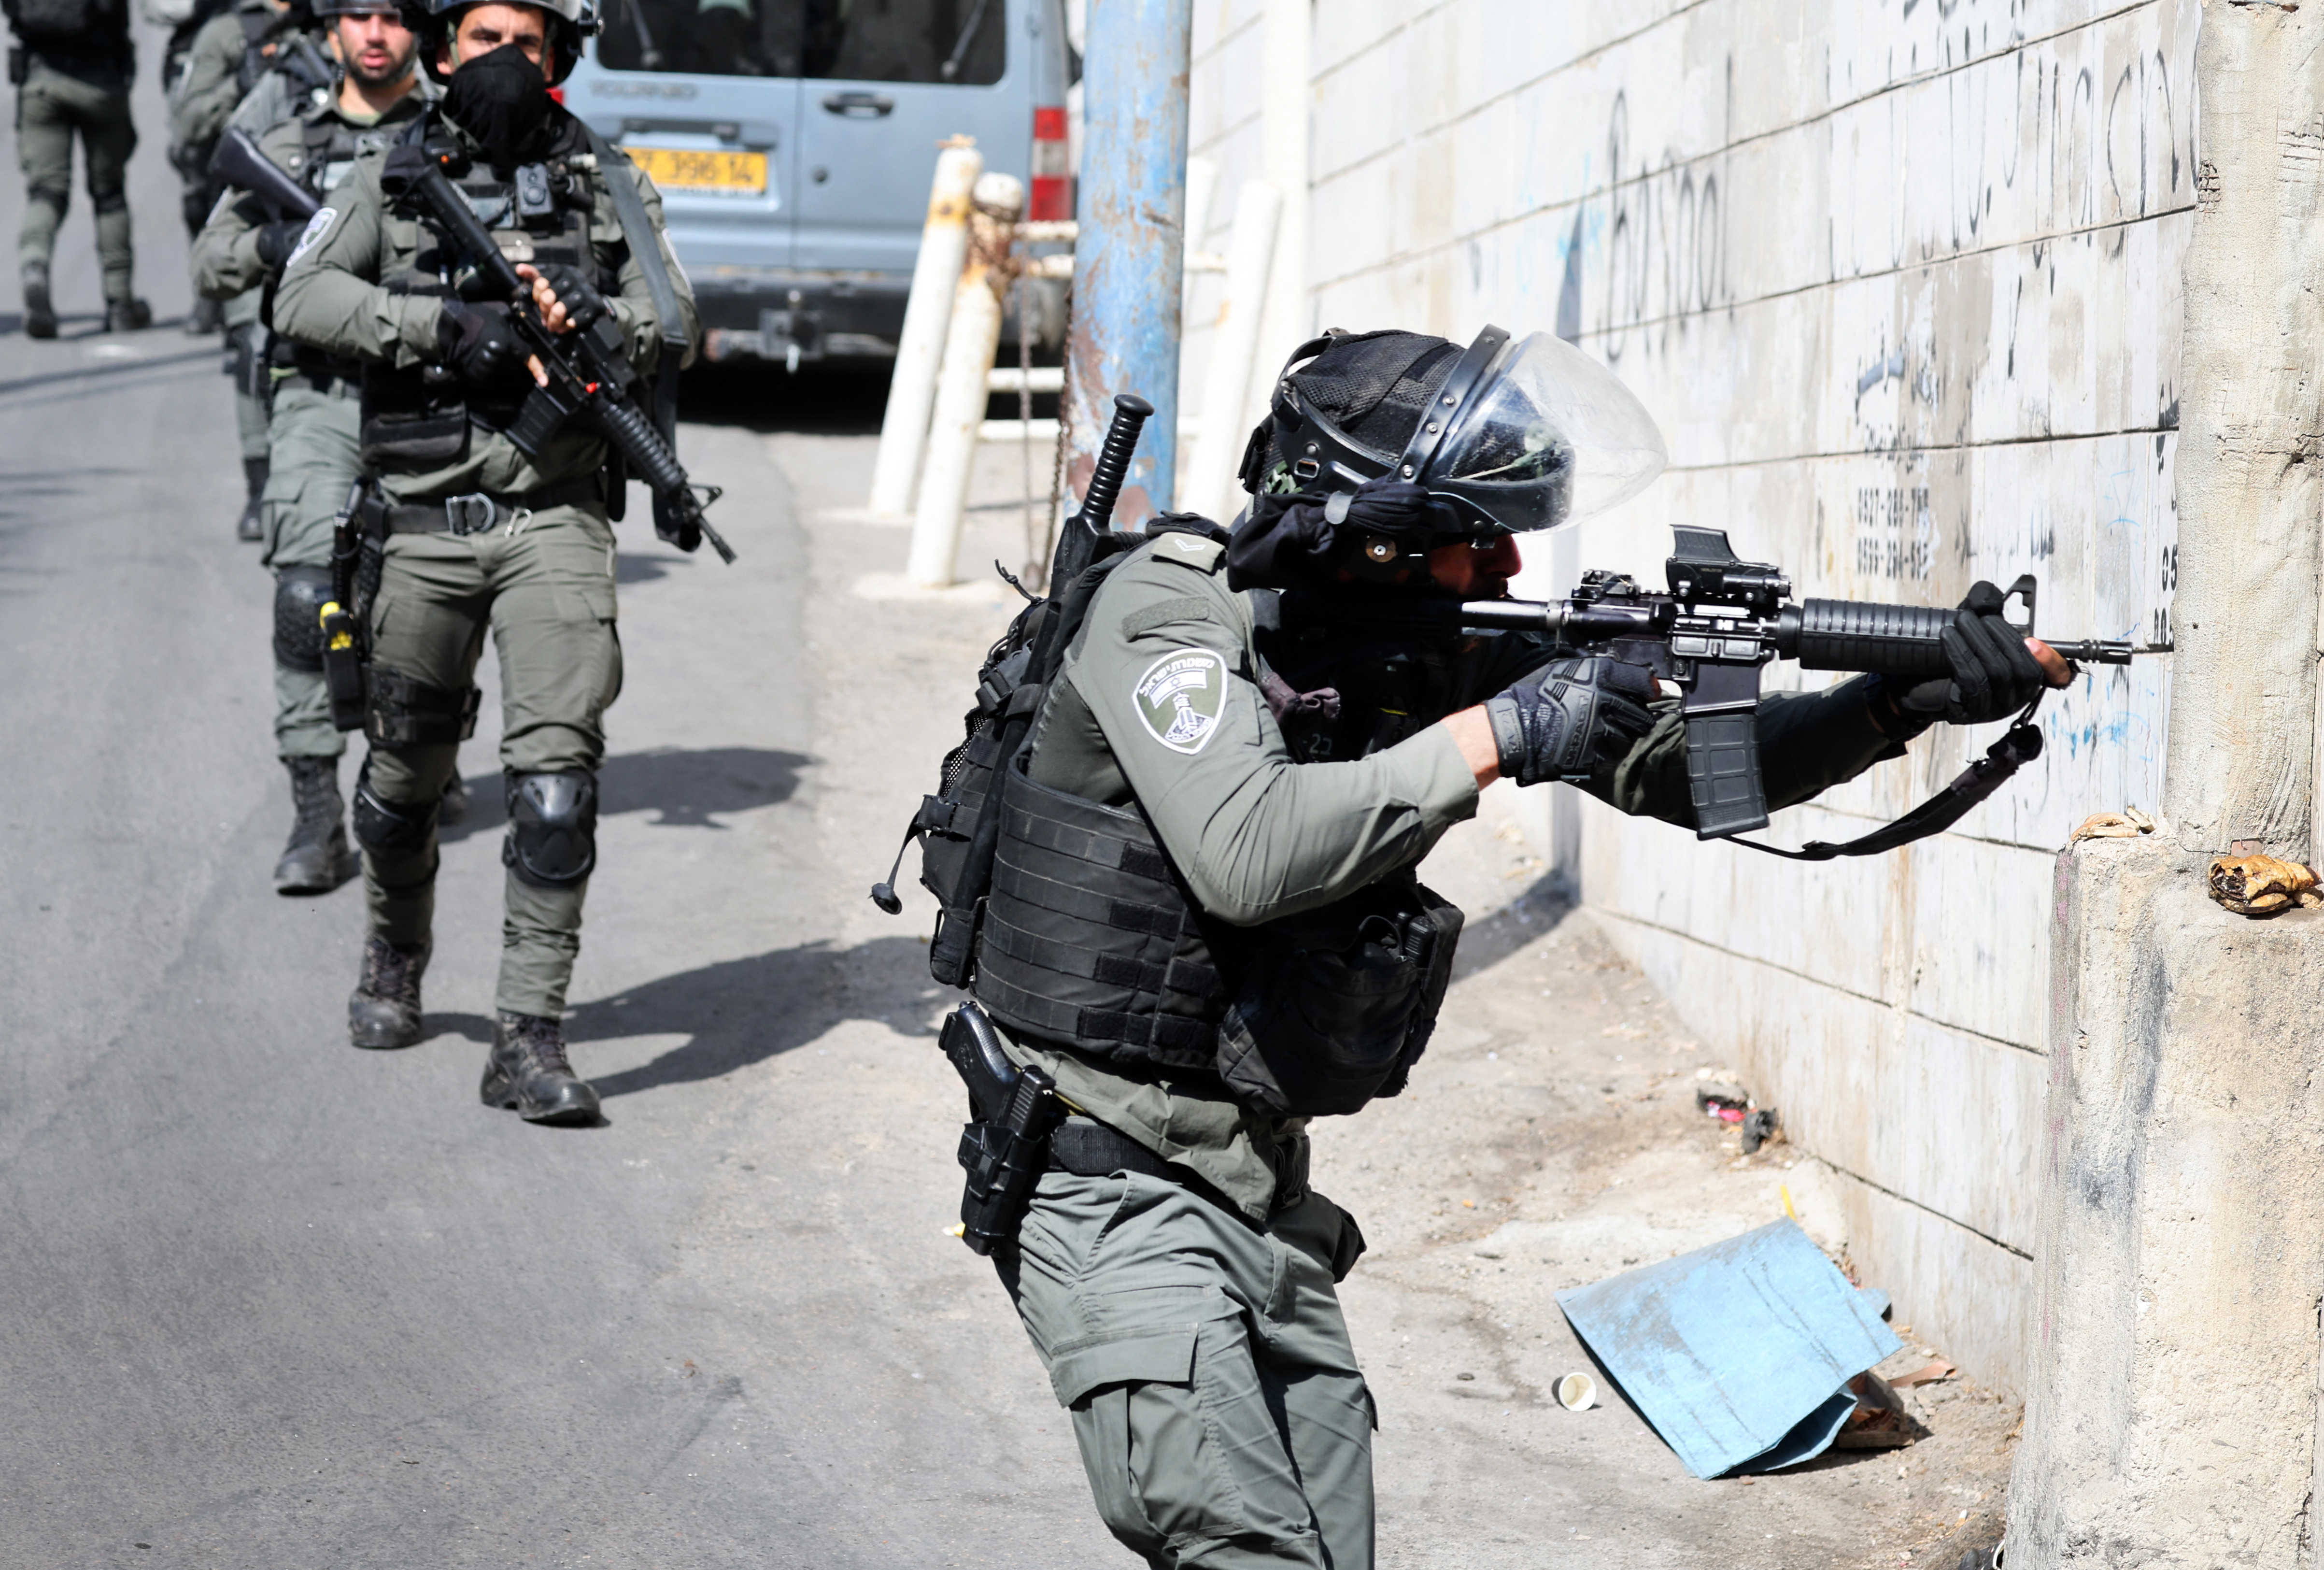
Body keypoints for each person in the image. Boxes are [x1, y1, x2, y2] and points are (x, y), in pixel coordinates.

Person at [963, 327, 2074, 1568]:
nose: (1507, 562)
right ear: (1373, 539)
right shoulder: (1168, 614)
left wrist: (1895, 700)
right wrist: (1502, 731)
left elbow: (1690, 773)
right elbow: (1249, 850)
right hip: (1105, 1178)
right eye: (1477, 534)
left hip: (1255, 1185)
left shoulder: (1412, 639)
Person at [271, 0, 698, 1121]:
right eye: (482, 38)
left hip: (554, 518)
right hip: (420, 525)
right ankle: (394, 954)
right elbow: (302, 293)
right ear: (444, 50)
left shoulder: (609, 179)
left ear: (558, 57)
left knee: (557, 788)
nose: (503, 61)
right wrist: (440, 327)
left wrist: (596, 318)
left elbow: (673, 317)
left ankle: (528, 1034)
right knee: (400, 785)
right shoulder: (389, 174)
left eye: (526, 42)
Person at [190, 0, 428, 893]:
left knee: (426, 602)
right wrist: (272, 239)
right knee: (305, 595)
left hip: (429, 393)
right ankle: (318, 814)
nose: (376, 33)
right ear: (331, 33)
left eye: (394, 16)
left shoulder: (452, 139)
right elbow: (210, 262)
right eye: (357, 15)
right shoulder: (288, 141)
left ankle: (419, 769)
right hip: (319, 394)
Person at [171, 0, 326, 532]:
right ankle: (260, 485)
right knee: (250, 347)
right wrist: (241, 87)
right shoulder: (230, 34)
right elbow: (190, 124)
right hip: (267, 218)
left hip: (344, 224)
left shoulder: (363, 35)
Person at [7, 0, 149, 337]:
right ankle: (120, 304)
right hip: (101, 84)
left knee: (46, 191)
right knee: (110, 196)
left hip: (41, 81)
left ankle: (35, 266)